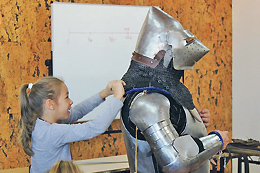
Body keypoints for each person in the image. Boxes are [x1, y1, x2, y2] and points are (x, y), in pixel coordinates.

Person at [120, 6, 229, 173]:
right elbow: (176, 163)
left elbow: (178, 136)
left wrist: (194, 122)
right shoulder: (147, 103)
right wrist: (217, 139)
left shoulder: (159, 97)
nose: (178, 71)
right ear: (163, 57)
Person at [19, 76, 125, 173]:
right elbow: (95, 127)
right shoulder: (52, 132)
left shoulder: (41, 123)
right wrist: (118, 97)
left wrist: (105, 93)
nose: (71, 101)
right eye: (66, 97)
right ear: (50, 104)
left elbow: (78, 111)